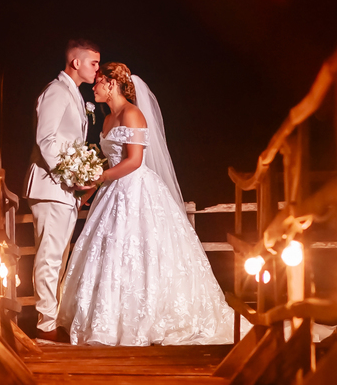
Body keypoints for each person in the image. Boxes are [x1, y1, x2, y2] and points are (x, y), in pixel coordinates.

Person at [57, 63, 234, 346]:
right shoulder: (106, 119)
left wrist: (101, 176)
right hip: (113, 191)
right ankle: (108, 319)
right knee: (110, 252)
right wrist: (88, 190)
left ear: (112, 84)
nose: (95, 86)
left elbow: (135, 160)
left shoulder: (132, 114)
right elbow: (110, 159)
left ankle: (149, 319)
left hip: (137, 189)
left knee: (142, 251)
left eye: (99, 81)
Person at [23, 39, 99, 342]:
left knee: (59, 258)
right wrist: (72, 177)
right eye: (93, 62)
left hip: (64, 189)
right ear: (76, 62)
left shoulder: (74, 94)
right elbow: (47, 140)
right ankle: (45, 327)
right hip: (51, 186)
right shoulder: (56, 91)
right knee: (50, 257)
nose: (97, 68)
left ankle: (52, 321)